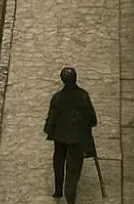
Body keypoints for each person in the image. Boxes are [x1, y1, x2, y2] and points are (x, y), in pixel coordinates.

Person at [44, 66, 98, 202]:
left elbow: (51, 120)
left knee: (58, 163)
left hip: (60, 138)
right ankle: (70, 196)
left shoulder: (57, 98)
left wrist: (49, 130)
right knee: (73, 169)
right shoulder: (83, 96)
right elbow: (92, 119)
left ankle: (58, 191)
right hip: (77, 139)